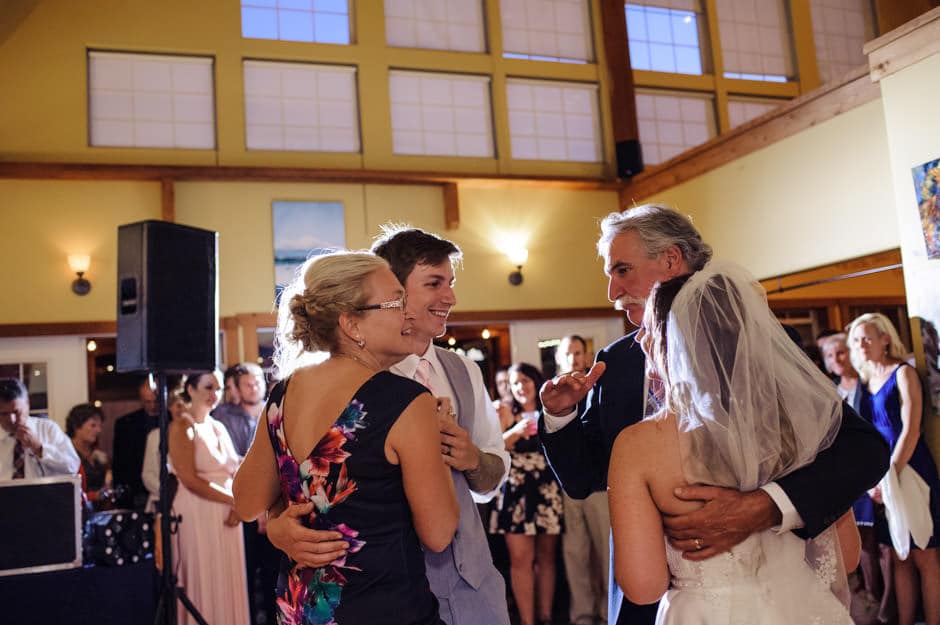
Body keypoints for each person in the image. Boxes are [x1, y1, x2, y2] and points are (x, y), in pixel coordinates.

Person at [538, 204, 891, 625]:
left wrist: (768, 505)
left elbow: (861, 448)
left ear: (669, 259)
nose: (612, 291)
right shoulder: (616, 362)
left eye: (622, 270)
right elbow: (583, 479)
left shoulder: (765, 345)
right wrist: (560, 417)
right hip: (657, 606)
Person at [264, 228, 512, 625]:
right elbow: (284, 483)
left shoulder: (464, 371)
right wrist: (277, 527)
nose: (449, 297)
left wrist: (471, 458)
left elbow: (493, 473)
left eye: (451, 283)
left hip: (468, 587)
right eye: (433, 284)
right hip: (390, 593)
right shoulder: (365, 387)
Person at [609, 262, 860, 624]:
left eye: (648, 329)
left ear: (673, 341)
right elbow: (846, 555)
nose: (639, 340)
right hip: (804, 608)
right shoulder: (799, 423)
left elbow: (644, 585)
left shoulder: (640, 446)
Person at [233, 251, 458, 625]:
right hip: (384, 609)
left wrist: (277, 522)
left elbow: (245, 501)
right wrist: (439, 446)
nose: (409, 313)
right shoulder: (405, 401)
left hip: (302, 611)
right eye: (395, 302)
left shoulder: (284, 395)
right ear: (352, 324)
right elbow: (439, 533)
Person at [848, 312, 940, 625]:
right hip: (881, 477)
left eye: (867, 337)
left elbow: (911, 431)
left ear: (885, 338)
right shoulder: (864, 382)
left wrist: (888, 479)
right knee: (899, 555)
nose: (861, 344)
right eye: (857, 339)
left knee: (924, 554)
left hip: (910, 470)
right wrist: (874, 481)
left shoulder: (903, 374)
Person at [169, 370, 249, 625]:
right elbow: (190, 480)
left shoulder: (218, 426)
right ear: (190, 389)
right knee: (204, 575)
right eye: (208, 388)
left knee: (226, 577)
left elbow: (236, 467)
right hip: (197, 510)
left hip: (226, 512)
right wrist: (234, 501)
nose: (214, 394)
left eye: (218, 388)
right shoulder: (182, 426)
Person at [490, 362, 562, 625]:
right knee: (520, 559)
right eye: (514, 382)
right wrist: (515, 431)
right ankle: (527, 620)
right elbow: (490, 450)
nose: (520, 387)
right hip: (515, 492)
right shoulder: (504, 412)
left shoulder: (551, 409)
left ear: (536, 380)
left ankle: (546, 616)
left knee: (547, 557)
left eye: (525, 380)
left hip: (546, 490)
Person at [216, 362, 280, 625]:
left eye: (257, 381)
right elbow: (226, 463)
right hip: (239, 503)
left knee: (272, 572)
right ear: (237, 388)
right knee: (242, 570)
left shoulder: (276, 409)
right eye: (247, 383)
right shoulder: (222, 417)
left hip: (274, 504)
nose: (254, 386)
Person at [555, 335, 610, 625]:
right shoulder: (551, 391)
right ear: (559, 358)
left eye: (578, 353)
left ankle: (605, 612)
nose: (574, 358)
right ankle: (582, 615)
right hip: (567, 487)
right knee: (575, 552)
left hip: (600, 484)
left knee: (604, 550)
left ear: (586, 356)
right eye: (568, 354)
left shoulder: (599, 385)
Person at [1, 377, 80, 480]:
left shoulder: (48, 429)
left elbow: (72, 466)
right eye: (3, 414)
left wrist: (39, 448)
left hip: (44, 494)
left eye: (16, 412)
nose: (11, 419)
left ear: (27, 403)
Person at [113, 376, 160, 509]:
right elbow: (119, 463)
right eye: (147, 401)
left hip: (164, 486)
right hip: (136, 490)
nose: (152, 405)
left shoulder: (172, 419)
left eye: (155, 401)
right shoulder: (125, 424)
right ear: (141, 399)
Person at [142, 388, 188, 513]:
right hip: (162, 503)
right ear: (170, 407)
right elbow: (147, 475)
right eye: (178, 405)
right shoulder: (155, 436)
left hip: (190, 503)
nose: (182, 410)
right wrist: (169, 492)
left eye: (186, 405)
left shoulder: (196, 436)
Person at [65, 403, 111, 507]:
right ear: (77, 426)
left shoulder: (97, 454)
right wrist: (94, 496)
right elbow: (68, 493)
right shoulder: (67, 453)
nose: (98, 430)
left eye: (99, 426)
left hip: (99, 514)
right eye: (93, 425)